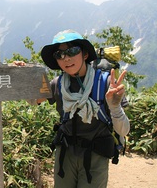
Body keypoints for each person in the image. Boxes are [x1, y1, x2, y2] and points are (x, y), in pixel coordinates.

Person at [17, 29, 130, 188]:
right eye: (59, 54)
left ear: (85, 54)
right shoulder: (58, 84)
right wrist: (22, 74)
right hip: (65, 153)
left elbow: (124, 130)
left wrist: (115, 106)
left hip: (95, 155)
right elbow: (33, 100)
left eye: (72, 51)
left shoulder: (105, 83)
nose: (66, 58)